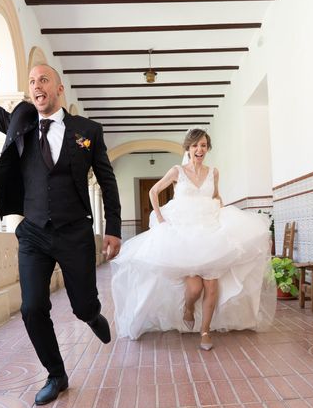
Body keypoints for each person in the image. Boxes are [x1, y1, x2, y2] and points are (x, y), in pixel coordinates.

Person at [0, 26, 121, 405]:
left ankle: (93, 314)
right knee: (32, 307)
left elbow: (108, 181)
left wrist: (113, 228)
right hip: (33, 233)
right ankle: (56, 374)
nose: (36, 86)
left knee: (83, 306)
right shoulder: (22, 126)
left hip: (76, 231)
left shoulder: (87, 131)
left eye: (43, 79)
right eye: (32, 81)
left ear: (58, 89)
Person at [111, 128, 275, 349]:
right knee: (195, 288)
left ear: (207, 149)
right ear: (188, 148)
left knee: (212, 286)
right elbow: (154, 191)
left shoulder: (213, 172)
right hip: (184, 236)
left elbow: (215, 195)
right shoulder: (177, 171)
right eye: (196, 145)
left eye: (204, 145)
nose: (200, 149)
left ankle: (205, 331)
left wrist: (224, 214)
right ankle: (188, 308)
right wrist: (160, 218)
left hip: (210, 233)